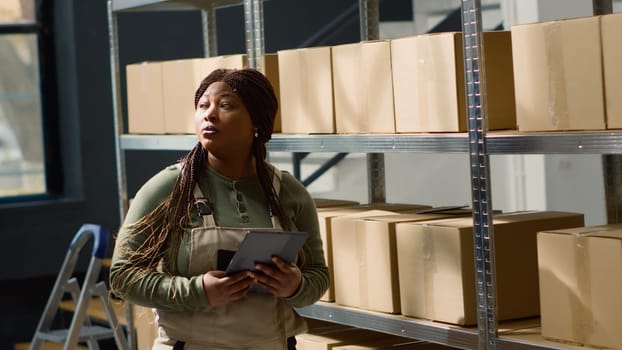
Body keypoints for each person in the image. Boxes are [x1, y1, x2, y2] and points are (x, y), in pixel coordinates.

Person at [109, 68, 329, 350]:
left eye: (225, 105)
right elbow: (122, 277)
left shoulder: (290, 193)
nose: (209, 115)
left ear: (257, 122)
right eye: (203, 106)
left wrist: (295, 286)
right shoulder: (168, 188)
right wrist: (197, 291)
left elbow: (319, 276)